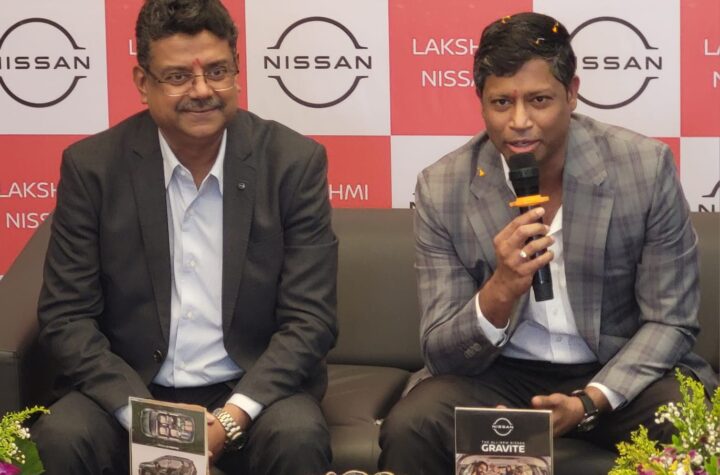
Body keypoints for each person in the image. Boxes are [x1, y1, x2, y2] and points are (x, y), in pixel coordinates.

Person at [378, 11, 718, 474]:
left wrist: (589, 401)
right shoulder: (442, 187)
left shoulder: (644, 168)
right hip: (502, 375)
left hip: (616, 368)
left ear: (571, 93)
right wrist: (500, 288)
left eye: (539, 100)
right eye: (501, 102)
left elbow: (671, 321)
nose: (519, 121)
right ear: (481, 102)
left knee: (688, 421)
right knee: (414, 424)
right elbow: (440, 351)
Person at [31, 0, 337, 474]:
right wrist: (148, 419)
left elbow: (311, 319)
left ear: (237, 71)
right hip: (129, 387)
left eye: (217, 71)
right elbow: (66, 317)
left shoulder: (292, 163)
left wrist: (231, 419)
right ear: (142, 83)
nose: (202, 91)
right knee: (62, 436)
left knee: (298, 435)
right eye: (178, 77)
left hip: (249, 390)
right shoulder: (93, 168)